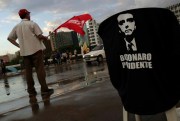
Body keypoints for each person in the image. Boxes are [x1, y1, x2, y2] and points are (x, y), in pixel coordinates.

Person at [7, 9, 54, 101]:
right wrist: (45, 37)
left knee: (28, 73)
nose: (29, 15)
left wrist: (19, 46)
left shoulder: (16, 27)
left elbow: (10, 38)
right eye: (29, 13)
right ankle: (44, 90)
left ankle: (31, 92)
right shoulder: (32, 24)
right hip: (36, 51)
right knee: (40, 71)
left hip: (25, 53)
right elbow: (40, 36)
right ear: (27, 15)